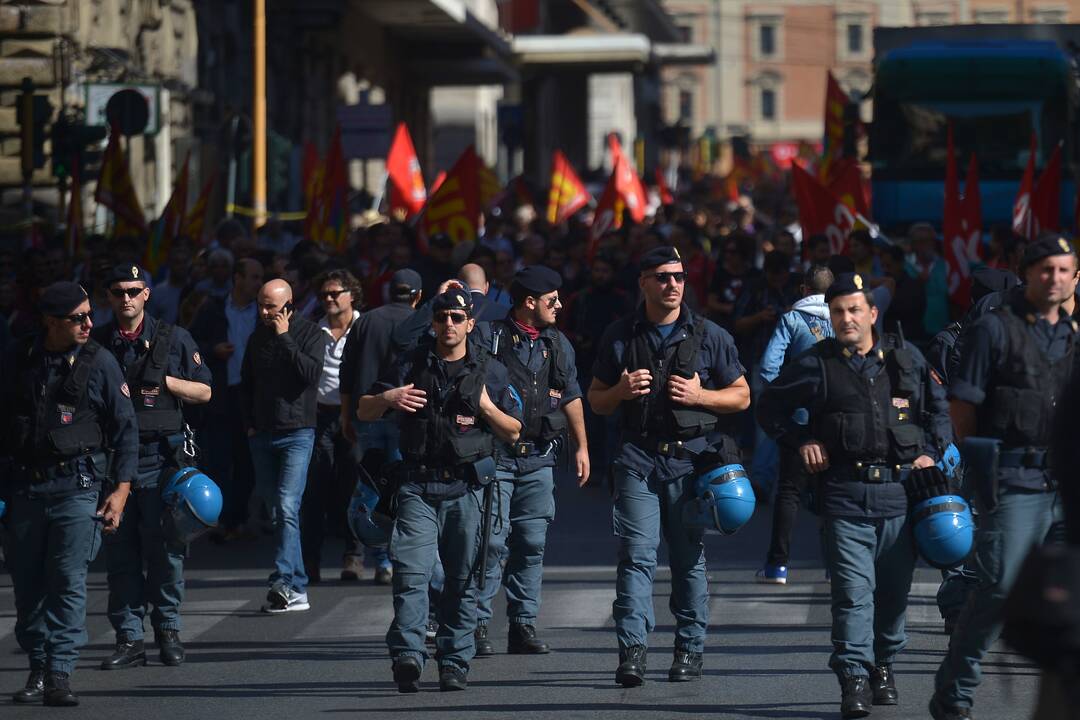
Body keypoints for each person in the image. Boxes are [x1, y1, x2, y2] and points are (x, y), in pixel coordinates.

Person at [757, 272, 952, 719]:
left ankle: (884, 663)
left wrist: (930, 453)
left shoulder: (905, 360)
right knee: (851, 594)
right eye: (838, 311)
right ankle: (855, 677)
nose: (846, 318)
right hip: (844, 498)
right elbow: (770, 405)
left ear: (872, 314)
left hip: (900, 498)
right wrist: (800, 439)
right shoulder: (818, 364)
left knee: (894, 597)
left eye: (854, 310)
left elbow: (937, 409)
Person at [929, 235, 1078, 720]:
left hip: (1066, 482)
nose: (1053, 278)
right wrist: (983, 467)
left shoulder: (1075, 334)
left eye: (1063, 269)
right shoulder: (994, 329)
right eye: (1044, 269)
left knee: (1069, 598)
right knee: (998, 587)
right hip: (1014, 479)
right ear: (1027, 272)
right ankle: (955, 692)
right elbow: (962, 406)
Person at [588, 246, 750, 687]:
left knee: (687, 560)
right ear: (643, 282)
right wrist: (619, 391)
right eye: (661, 276)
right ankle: (633, 651)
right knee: (636, 557)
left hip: (691, 463)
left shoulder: (709, 334)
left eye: (678, 276)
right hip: (638, 459)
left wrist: (701, 398)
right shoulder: (620, 335)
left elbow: (741, 395)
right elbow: (595, 401)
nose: (672, 284)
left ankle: (689, 649)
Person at [358, 288, 522, 693]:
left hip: (465, 488)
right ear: (432, 322)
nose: (448, 324)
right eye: (441, 317)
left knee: (462, 579)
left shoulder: (491, 370)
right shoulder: (411, 363)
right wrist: (387, 397)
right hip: (416, 485)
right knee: (411, 574)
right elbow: (363, 409)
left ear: (470, 323)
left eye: (456, 317)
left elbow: (515, 430)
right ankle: (409, 654)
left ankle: (453, 659)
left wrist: (485, 407)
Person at [1, 281, 138, 706]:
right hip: (25, 488)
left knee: (66, 579)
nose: (88, 323)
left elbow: (125, 429)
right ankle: (38, 664)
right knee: (26, 586)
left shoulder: (101, 363)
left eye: (89, 315)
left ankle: (59, 671)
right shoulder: (19, 358)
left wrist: (120, 491)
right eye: (77, 318)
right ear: (50, 321)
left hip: (77, 488)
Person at [93, 265, 212, 669]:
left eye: (133, 290)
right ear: (108, 297)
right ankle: (129, 638)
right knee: (121, 555)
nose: (125, 298)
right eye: (117, 292)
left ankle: (168, 631)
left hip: (162, 460)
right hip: (113, 462)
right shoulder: (98, 344)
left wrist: (167, 383)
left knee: (165, 553)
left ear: (146, 294)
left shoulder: (173, 338)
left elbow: (205, 390)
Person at [474, 265, 589, 657]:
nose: (559, 305)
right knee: (490, 543)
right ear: (529, 302)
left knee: (531, 543)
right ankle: (476, 624)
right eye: (551, 300)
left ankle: (522, 624)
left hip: (539, 460)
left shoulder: (558, 343)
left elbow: (571, 395)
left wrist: (582, 446)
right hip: (497, 458)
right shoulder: (488, 337)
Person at [242, 279, 327, 613]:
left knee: (288, 505)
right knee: (276, 510)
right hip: (262, 432)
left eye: (272, 307)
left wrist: (284, 337)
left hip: (297, 432)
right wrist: (248, 423)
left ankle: (283, 580)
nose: (265, 313)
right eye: (260, 306)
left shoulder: (311, 334)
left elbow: (310, 375)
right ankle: (298, 586)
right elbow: (246, 383)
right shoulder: (255, 337)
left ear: (289, 306)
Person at [339, 267, 423, 583]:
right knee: (401, 490)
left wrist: (346, 415)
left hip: (368, 414)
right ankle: (391, 557)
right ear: (417, 296)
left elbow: (346, 374)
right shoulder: (421, 323)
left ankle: (367, 553)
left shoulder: (366, 321)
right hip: (406, 419)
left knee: (370, 486)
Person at [754, 263, 834, 584]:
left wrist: (780, 398)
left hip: (799, 418)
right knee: (833, 493)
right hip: (835, 418)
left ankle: (778, 566)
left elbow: (768, 366)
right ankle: (835, 566)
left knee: (788, 491)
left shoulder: (792, 319)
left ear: (804, 290)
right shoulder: (844, 320)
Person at [189, 258, 263, 540]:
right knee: (219, 459)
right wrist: (213, 350)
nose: (258, 283)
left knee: (247, 461)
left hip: (250, 396)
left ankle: (238, 517)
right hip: (221, 394)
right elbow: (191, 342)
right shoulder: (214, 308)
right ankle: (219, 517)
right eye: (254, 277)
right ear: (238, 279)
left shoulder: (263, 312)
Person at [301, 269, 361, 585]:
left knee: (352, 487)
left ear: (351, 295)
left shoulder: (364, 328)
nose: (329, 299)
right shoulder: (314, 331)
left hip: (354, 415)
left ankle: (354, 554)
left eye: (335, 293)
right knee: (315, 489)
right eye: (324, 294)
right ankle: (310, 561)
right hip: (320, 415)